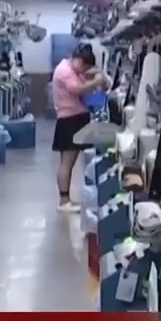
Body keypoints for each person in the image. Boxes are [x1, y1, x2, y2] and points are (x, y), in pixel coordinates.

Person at [51, 44, 107, 212]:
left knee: (69, 162)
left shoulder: (73, 69)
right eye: (84, 66)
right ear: (79, 60)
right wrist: (96, 81)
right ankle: (64, 201)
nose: (83, 71)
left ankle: (66, 199)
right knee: (67, 163)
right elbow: (76, 89)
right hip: (70, 120)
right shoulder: (65, 71)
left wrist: (96, 74)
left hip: (75, 118)